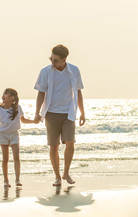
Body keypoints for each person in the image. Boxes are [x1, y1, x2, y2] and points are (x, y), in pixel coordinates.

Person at [34, 44, 86, 186]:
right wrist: (37, 112)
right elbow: (41, 92)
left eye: (56, 60)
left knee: (70, 143)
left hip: (69, 112)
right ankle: (57, 177)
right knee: (54, 146)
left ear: (64, 59)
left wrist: (82, 112)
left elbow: (79, 91)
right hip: (51, 113)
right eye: (51, 59)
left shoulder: (74, 71)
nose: (53, 62)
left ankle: (66, 173)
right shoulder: (45, 71)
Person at [0, 88, 38, 187]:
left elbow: (23, 120)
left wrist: (33, 121)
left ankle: (17, 180)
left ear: (12, 97)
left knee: (16, 156)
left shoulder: (18, 108)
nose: (3, 96)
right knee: (5, 158)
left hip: (14, 134)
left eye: (6, 94)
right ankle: (6, 180)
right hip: (3, 135)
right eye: (4, 94)